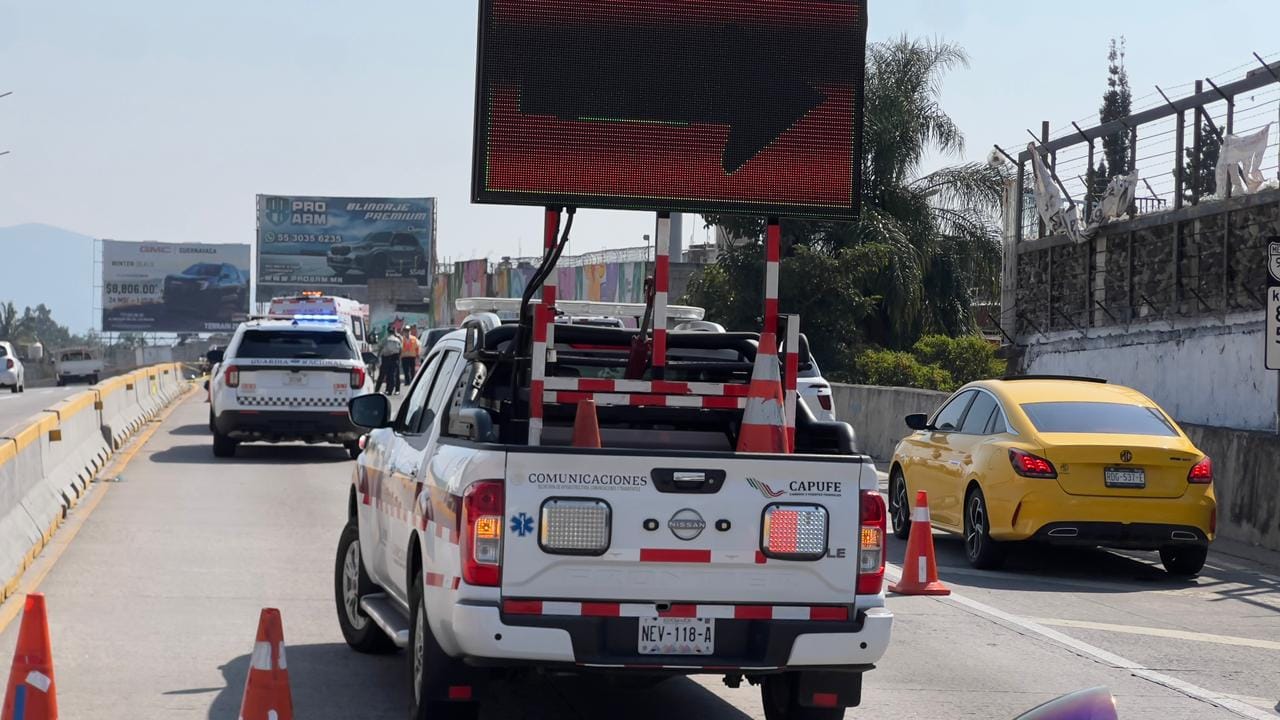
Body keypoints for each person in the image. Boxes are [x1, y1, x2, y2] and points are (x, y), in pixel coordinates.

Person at [375, 326, 403, 395]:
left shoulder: (385, 339)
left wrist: (377, 358)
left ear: (387, 331)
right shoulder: (397, 340)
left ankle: (377, 389)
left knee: (382, 375)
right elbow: (400, 349)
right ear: (394, 332)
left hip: (386, 358)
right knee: (392, 375)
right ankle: (390, 390)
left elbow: (380, 348)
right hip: (395, 358)